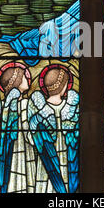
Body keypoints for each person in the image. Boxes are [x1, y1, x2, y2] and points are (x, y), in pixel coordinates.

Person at [27, 65, 79, 193]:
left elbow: (31, 138)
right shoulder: (72, 107)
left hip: (46, 165)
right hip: (65, 159)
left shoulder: (37, 112)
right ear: (64, 86)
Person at [0, 62, 34, 193]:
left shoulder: (0, 107)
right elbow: (30, 137)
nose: (27, 78)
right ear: (17, 81)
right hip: (19, 154)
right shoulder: (24, 104)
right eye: (24, 76)